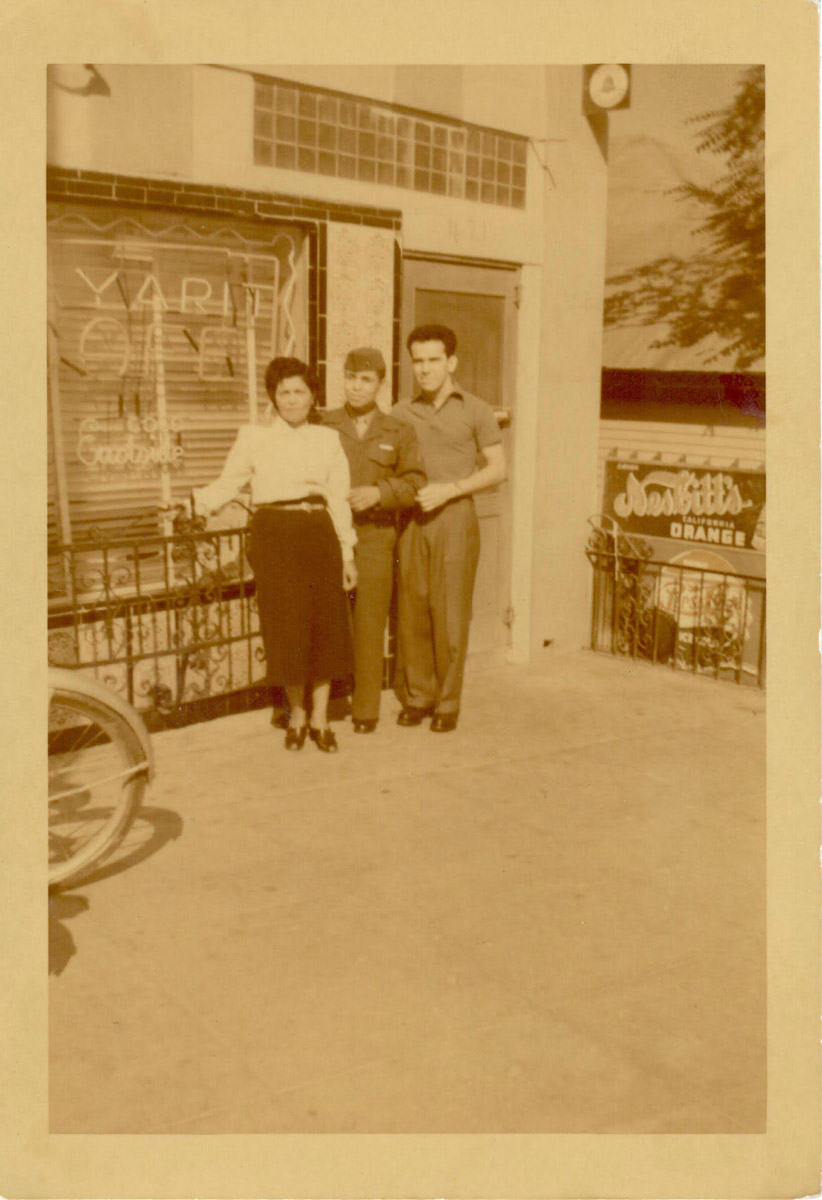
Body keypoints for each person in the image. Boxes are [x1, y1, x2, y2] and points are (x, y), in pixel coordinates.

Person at [191, 357, 357, 754]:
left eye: (300, 391)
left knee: (323, 627)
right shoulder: (253, 438)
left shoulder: (327, 439)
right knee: (287, 627)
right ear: (273, 397)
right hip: (274, 536)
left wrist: (347, 553)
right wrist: (191, 504)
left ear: (313, 395)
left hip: (318, 534)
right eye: (284, 392)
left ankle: (320, 718)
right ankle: (296, 714)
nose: (293, 399)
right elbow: (228, 483)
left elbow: (338, 498)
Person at [393, 324, 506, 732]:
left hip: (456, 517)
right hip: (412, 519)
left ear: (451, 362)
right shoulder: (400, 412)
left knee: (451, 614)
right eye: (417, 361)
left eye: (433, 360)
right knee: (413, 609)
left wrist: (451, 489)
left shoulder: (475, 409)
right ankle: (418, 696)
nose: (424, 369)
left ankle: (447, 703)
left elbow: (497, 469)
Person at [321, 348, 426, 733]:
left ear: (381, 384)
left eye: (366, 379)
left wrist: (380, 493)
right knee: (328, 620)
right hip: (327, 535)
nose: (356, 386)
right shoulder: (323, 423)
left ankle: (365, 709)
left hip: (374, 537)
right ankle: (328, 701)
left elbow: (415, 481)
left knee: (368, 623)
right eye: (350, 377)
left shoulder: (398, 430)